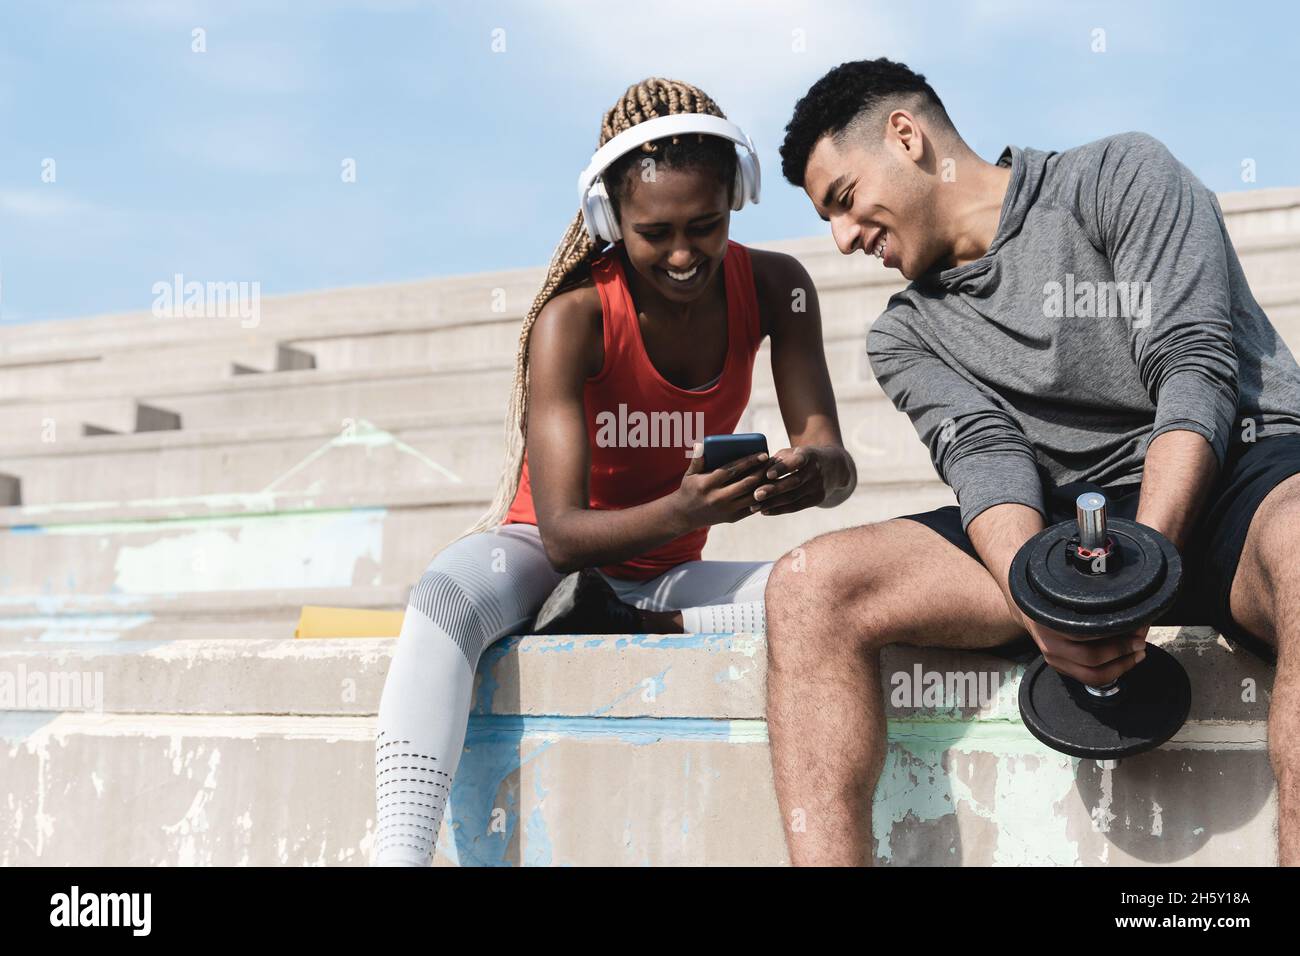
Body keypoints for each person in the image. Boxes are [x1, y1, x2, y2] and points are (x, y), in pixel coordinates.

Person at [766, 57, 1300, 866]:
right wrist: (1053, 603)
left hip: (1235, 477)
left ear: (905, 137)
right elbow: (989, 460)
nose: (842, 240)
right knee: (809, 590)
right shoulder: (903, 333)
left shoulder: (1120, 174)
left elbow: (1193, 372)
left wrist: (1140, 571)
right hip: (1065, 536)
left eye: (844, 201)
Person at [372, 77, 858, 866]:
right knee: (440, 602)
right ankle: (397, 858)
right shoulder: (575, 317)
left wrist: (810, 472)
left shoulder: (779, 288)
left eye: (704, 226)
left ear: (737, 196)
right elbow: (562, 535)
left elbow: (835, 460)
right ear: (608, 221)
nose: (681, 254)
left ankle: (620, 615)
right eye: (653, 232)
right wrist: (688, 507)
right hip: (536, 555)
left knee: (833, 593)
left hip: (663, 575)